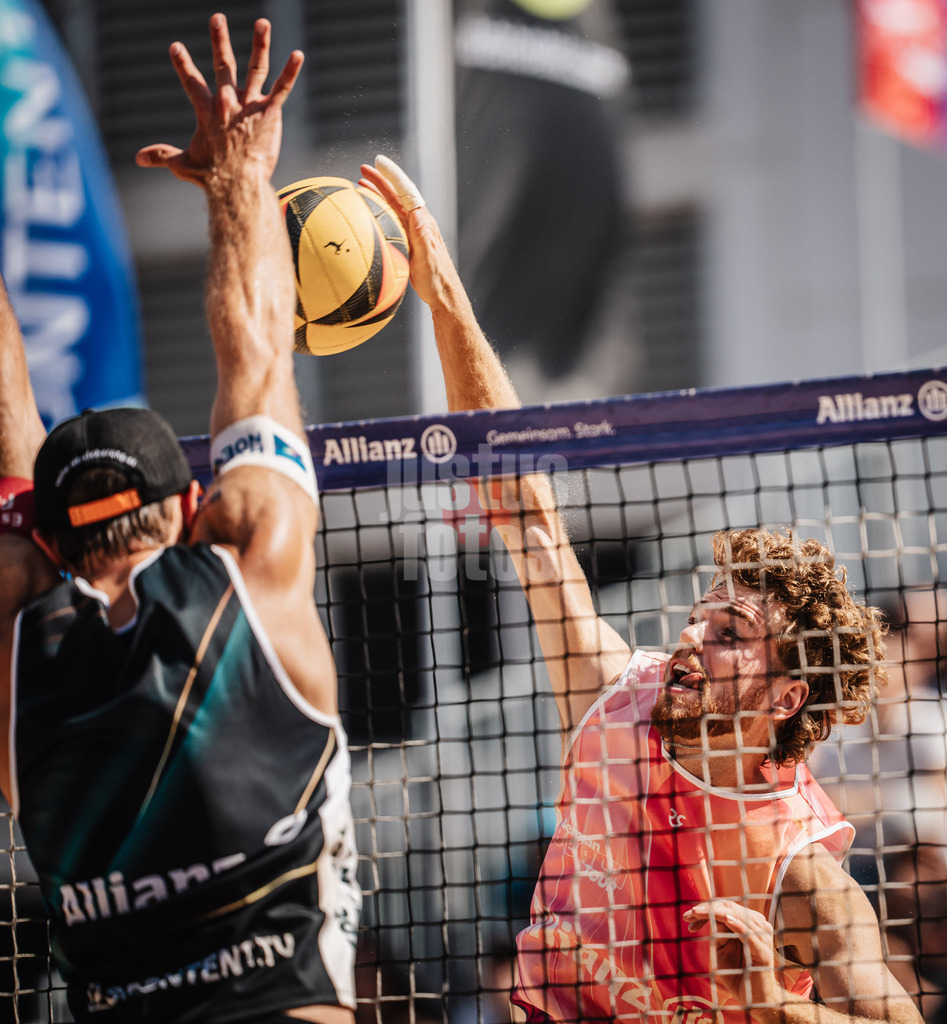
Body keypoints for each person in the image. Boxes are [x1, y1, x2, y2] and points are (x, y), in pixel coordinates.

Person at [359, 158, 925, 1023]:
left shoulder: (798, 868)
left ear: (787, 696)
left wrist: (772, 1007)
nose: (693, 635)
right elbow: (527, 515)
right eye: (701, 616)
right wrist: (445, 300)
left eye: (730, 632)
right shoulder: (613, 695)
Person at [0, 16, 360, 1024]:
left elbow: (6, 431)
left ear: (46, 539)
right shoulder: (251, 567)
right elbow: (256, 349)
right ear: (193, 508)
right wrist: (240, 177)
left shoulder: (17, 658)